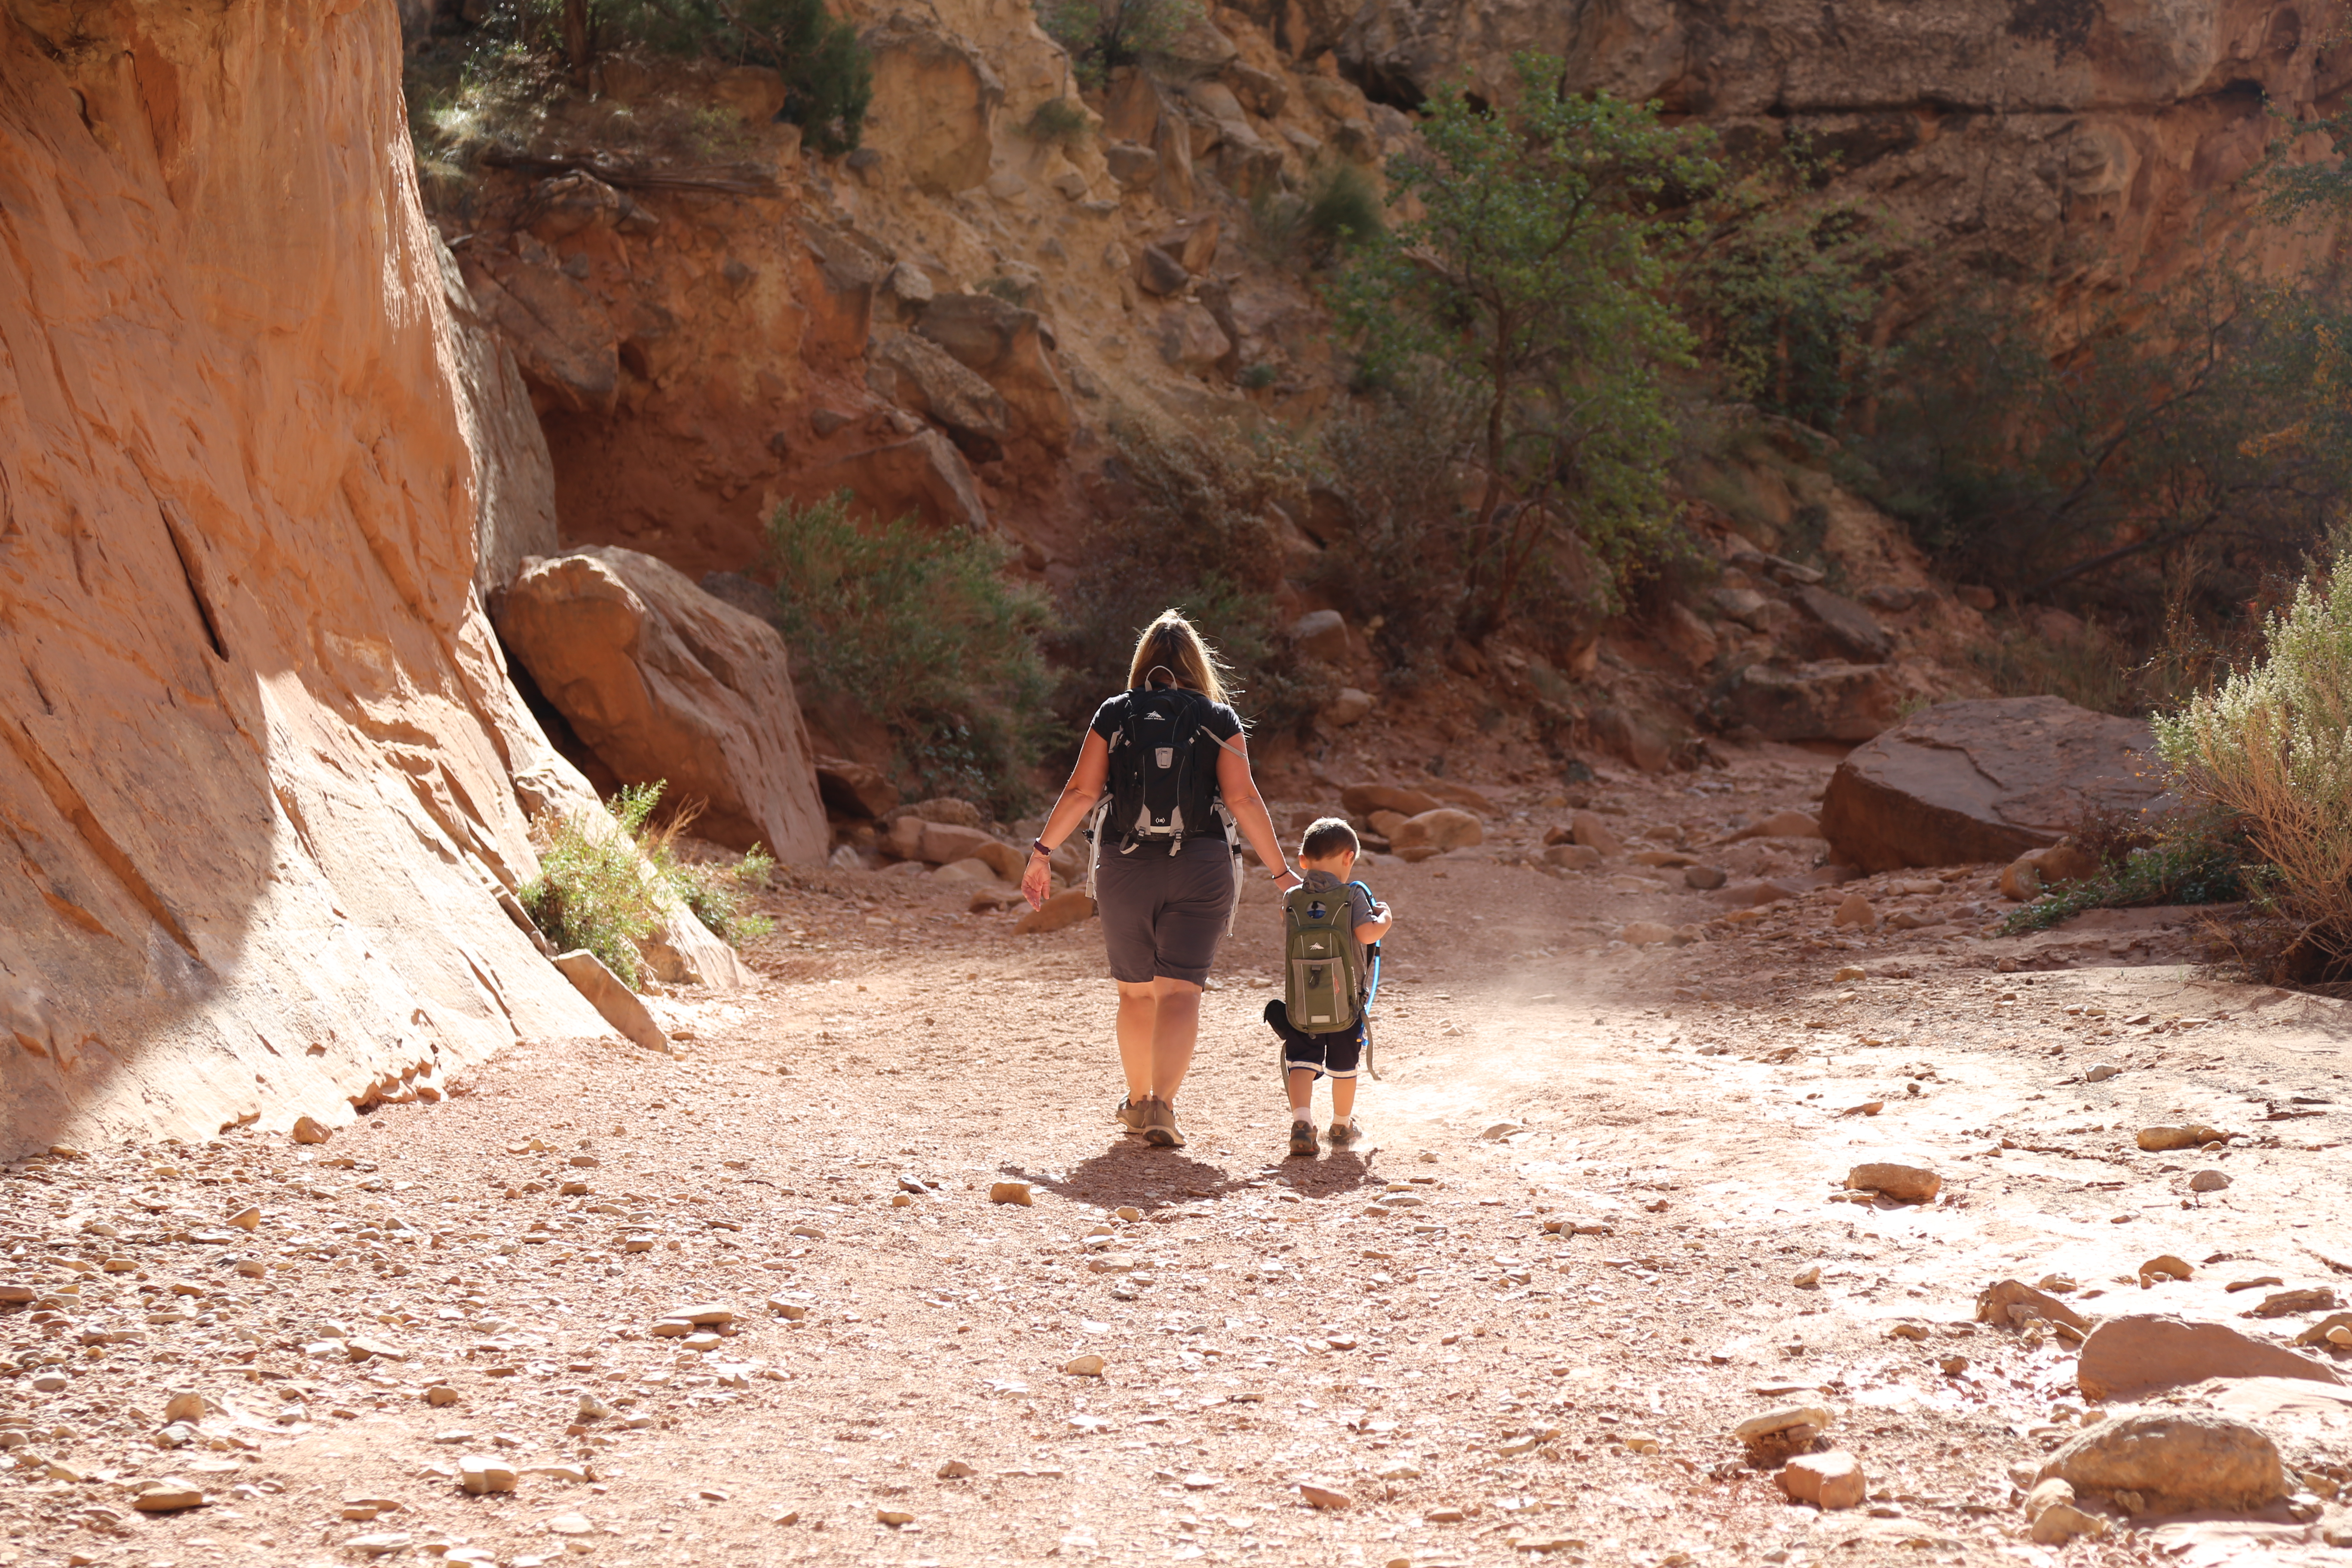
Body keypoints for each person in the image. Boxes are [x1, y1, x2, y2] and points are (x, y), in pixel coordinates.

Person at [1020, 610, 1297, 1148]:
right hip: (1203, 865)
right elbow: (1241, 799)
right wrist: (1282, 873)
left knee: (1135, 995)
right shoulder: (1219, 716)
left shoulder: (1115, 713)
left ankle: (1137, 1099)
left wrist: (1042, 852)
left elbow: (1081, 792)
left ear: (1141, 661)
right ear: (1198, 664)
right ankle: (1163, 1109)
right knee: (1181, 994)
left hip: (1126, 865)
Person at [1263, 818, 1392, 1157]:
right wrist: (1385, 920)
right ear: (1349, 858)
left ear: (1303, 861)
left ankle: (1302, 1123)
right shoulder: (1353, 896)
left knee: (1302, 1061)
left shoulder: (1291, 897)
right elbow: (1367, 935)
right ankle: (1341, 1125)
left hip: (1301, 1002)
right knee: (1344, 1068)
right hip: (1345, 1003)